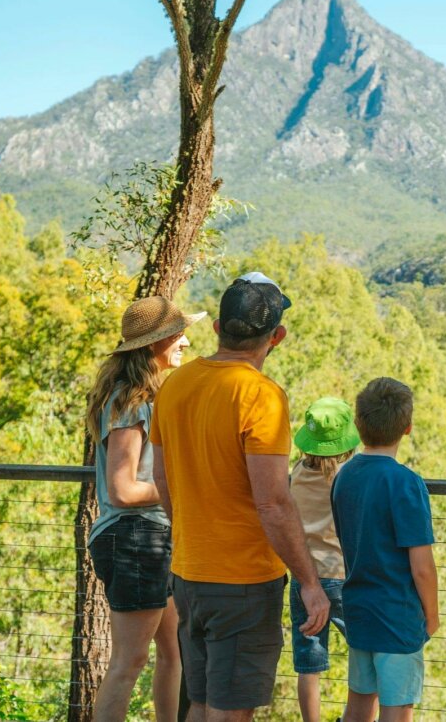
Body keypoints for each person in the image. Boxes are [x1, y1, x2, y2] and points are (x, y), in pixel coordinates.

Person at [150, 273, 330, 722]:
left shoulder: (174, 386)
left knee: (203, 701)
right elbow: (272, 502)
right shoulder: (261, 396)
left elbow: (162, 478)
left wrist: (190, 536)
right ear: (277, 337)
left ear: (217, 328)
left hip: (188, 573)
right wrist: (310, 582)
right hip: (243, 581)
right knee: (232, 711)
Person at [85, 296, 204, 722]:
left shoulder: (150, 396)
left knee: (174, 652)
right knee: (128, 664)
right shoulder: (132, 401)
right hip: (135, 538)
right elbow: (121, 490)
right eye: (177, 334)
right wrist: (181, 487)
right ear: (155, 343)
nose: (186, 342)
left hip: (152, 538)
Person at [332, 378, 438, 722]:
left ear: (359, 424)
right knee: (397, 707)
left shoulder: (344, 476)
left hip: (359, 609)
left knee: (360, 702)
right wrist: (432, 617)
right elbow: (421, 567)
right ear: (406, 428)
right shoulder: (405, 482)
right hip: (397, 614)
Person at [288, 396, 359, 722]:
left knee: (309, 663)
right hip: (344, 576)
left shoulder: (297, 472)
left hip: (306, 578)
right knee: (364, 653)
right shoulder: (349, 476)